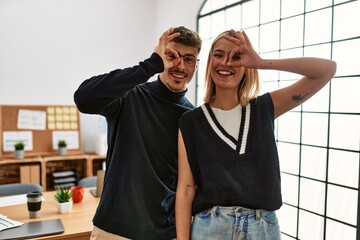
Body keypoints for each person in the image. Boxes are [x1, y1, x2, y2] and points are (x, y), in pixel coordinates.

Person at [175, 29, 336, 240]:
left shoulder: (264, 108)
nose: (225, 62)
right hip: (211, 229)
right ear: (209, 61)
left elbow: (327, 69)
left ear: (246, 66)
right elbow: (186, 189)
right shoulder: (190, 122)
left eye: (236, 57)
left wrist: (261, 62)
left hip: (263, 229)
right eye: (219, 54)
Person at [74, 26, 202, 240]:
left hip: (165, 233)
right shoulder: (129, 96)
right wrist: (149, 65)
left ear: (196, 65)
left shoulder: (194, 117)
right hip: (113, 230)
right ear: (161, 55)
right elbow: (84, 98)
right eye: (172, 56)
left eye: (189, 59)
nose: (180, 65)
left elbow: (189, 185)